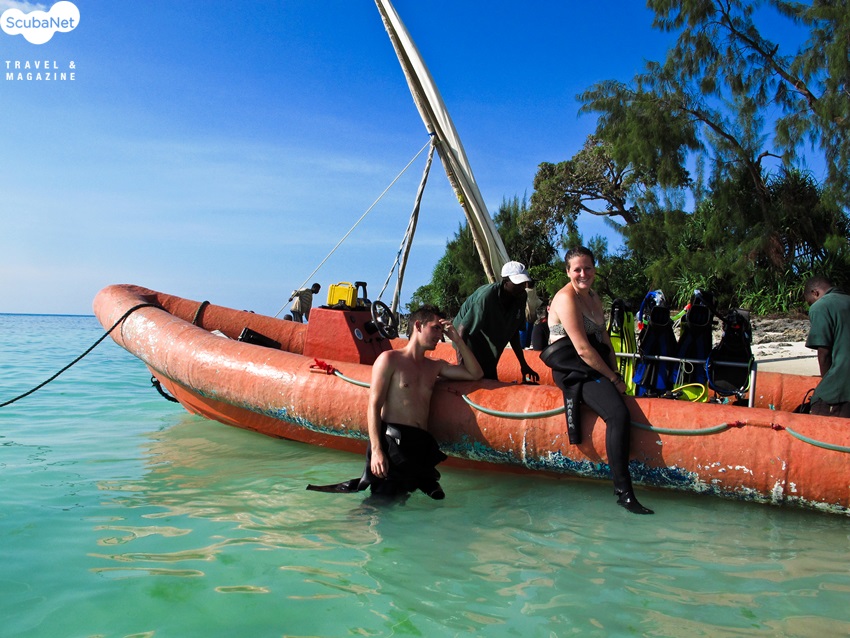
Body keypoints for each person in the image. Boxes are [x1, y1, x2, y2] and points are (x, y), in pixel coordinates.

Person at [307, 305, 484, 499]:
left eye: (441, 330)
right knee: (382, 503)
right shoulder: (390, 359)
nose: (439, 335)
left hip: (420, 444)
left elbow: (475, 373)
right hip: (393, 441)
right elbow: (374, 406)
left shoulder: (435, 366)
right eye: (435, 328)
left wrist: (457, 339)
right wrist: (377, 451)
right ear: (418, 326)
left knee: (409, 499)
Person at [544, 246, 653, 514]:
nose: (583, 274)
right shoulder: (566, 298)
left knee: (621, 402)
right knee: (617, 414)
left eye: (588, 268)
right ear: (568, 272)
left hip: (593, 363)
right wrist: (612, 379)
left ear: (594, 269)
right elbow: (582, 348)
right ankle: (624, 493)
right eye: (577, 269)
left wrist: (617, 373)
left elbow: (604, 340)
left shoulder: (594, 296)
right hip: (571, 367)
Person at [454, 261, 540, 382]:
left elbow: (513, 332)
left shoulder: (521, 297)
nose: (522, 287)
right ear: (505, 282)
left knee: (490, 376)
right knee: (476, 376)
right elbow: (462, 330)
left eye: (523, 283)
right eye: (517, 284)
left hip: (490, 337)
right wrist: (461, 366)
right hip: (468, 339)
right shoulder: (486, 296)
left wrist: (523, 364)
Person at [803, 276, 850, 417]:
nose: (811, 305)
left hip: (843, 383)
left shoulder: (821, 306)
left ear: (815, 293)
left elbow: (824, 352)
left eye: (810, 302)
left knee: (819, 404)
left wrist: (826, 381)